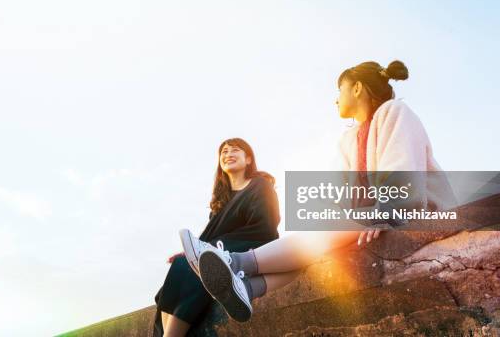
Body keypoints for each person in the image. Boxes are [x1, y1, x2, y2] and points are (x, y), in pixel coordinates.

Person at [181, 60, 451, 322]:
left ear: (356, 88)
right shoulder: (347, 141)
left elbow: (404, 179)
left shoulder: (394, 112)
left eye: (340, 90)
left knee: (320, 237)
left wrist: (380, 215)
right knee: (315, 242)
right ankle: (248, 289)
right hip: (370, 220)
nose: (336, 99)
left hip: (415, 212)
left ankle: (236, 262)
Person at [153, 138, 280, 336]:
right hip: (217, 250)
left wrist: (210, 249)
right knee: (180, 266)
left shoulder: (260, 185)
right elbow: (210, 237)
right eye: (224, 152)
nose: (228, 154)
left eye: (235, 150)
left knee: (200, 267)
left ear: (248, 159)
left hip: (249, 248)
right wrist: (193, 250)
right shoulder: (222, 201)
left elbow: (265, 228)